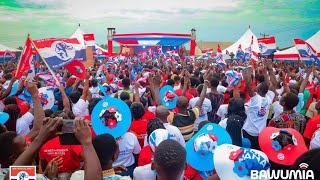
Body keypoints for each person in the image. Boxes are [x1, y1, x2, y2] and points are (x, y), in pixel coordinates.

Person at [243, 62, 275, 150]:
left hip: (248, 131)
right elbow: (273, 84)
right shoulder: (269, 98)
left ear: (258, 89)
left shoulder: (255, 99)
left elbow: (249, 84)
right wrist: (269, 70)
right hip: (260, 132)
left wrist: (250, 68)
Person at [168, 71, 209, 141]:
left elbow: (160, 107)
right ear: (188, 105)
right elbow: (201, 99)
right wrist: (205, 83)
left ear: (176, 105)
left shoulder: (171, 117)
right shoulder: (193, 114)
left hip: (178, 144)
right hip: (190, 143)